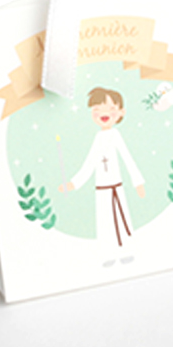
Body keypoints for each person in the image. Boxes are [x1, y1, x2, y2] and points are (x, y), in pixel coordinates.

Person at [60, 87, 145, 265]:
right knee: (105, 222)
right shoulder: (98, 138)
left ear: (121, 112)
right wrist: (74, 183)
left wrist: (137, 181)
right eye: (97, 109)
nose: (103, 113)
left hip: (117, 186)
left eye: (111, 109)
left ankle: (127, 250)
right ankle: (108, 254)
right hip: (102, 189)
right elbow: (90, 163)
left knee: (122, 220)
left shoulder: (115, 135)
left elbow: (127, 157)